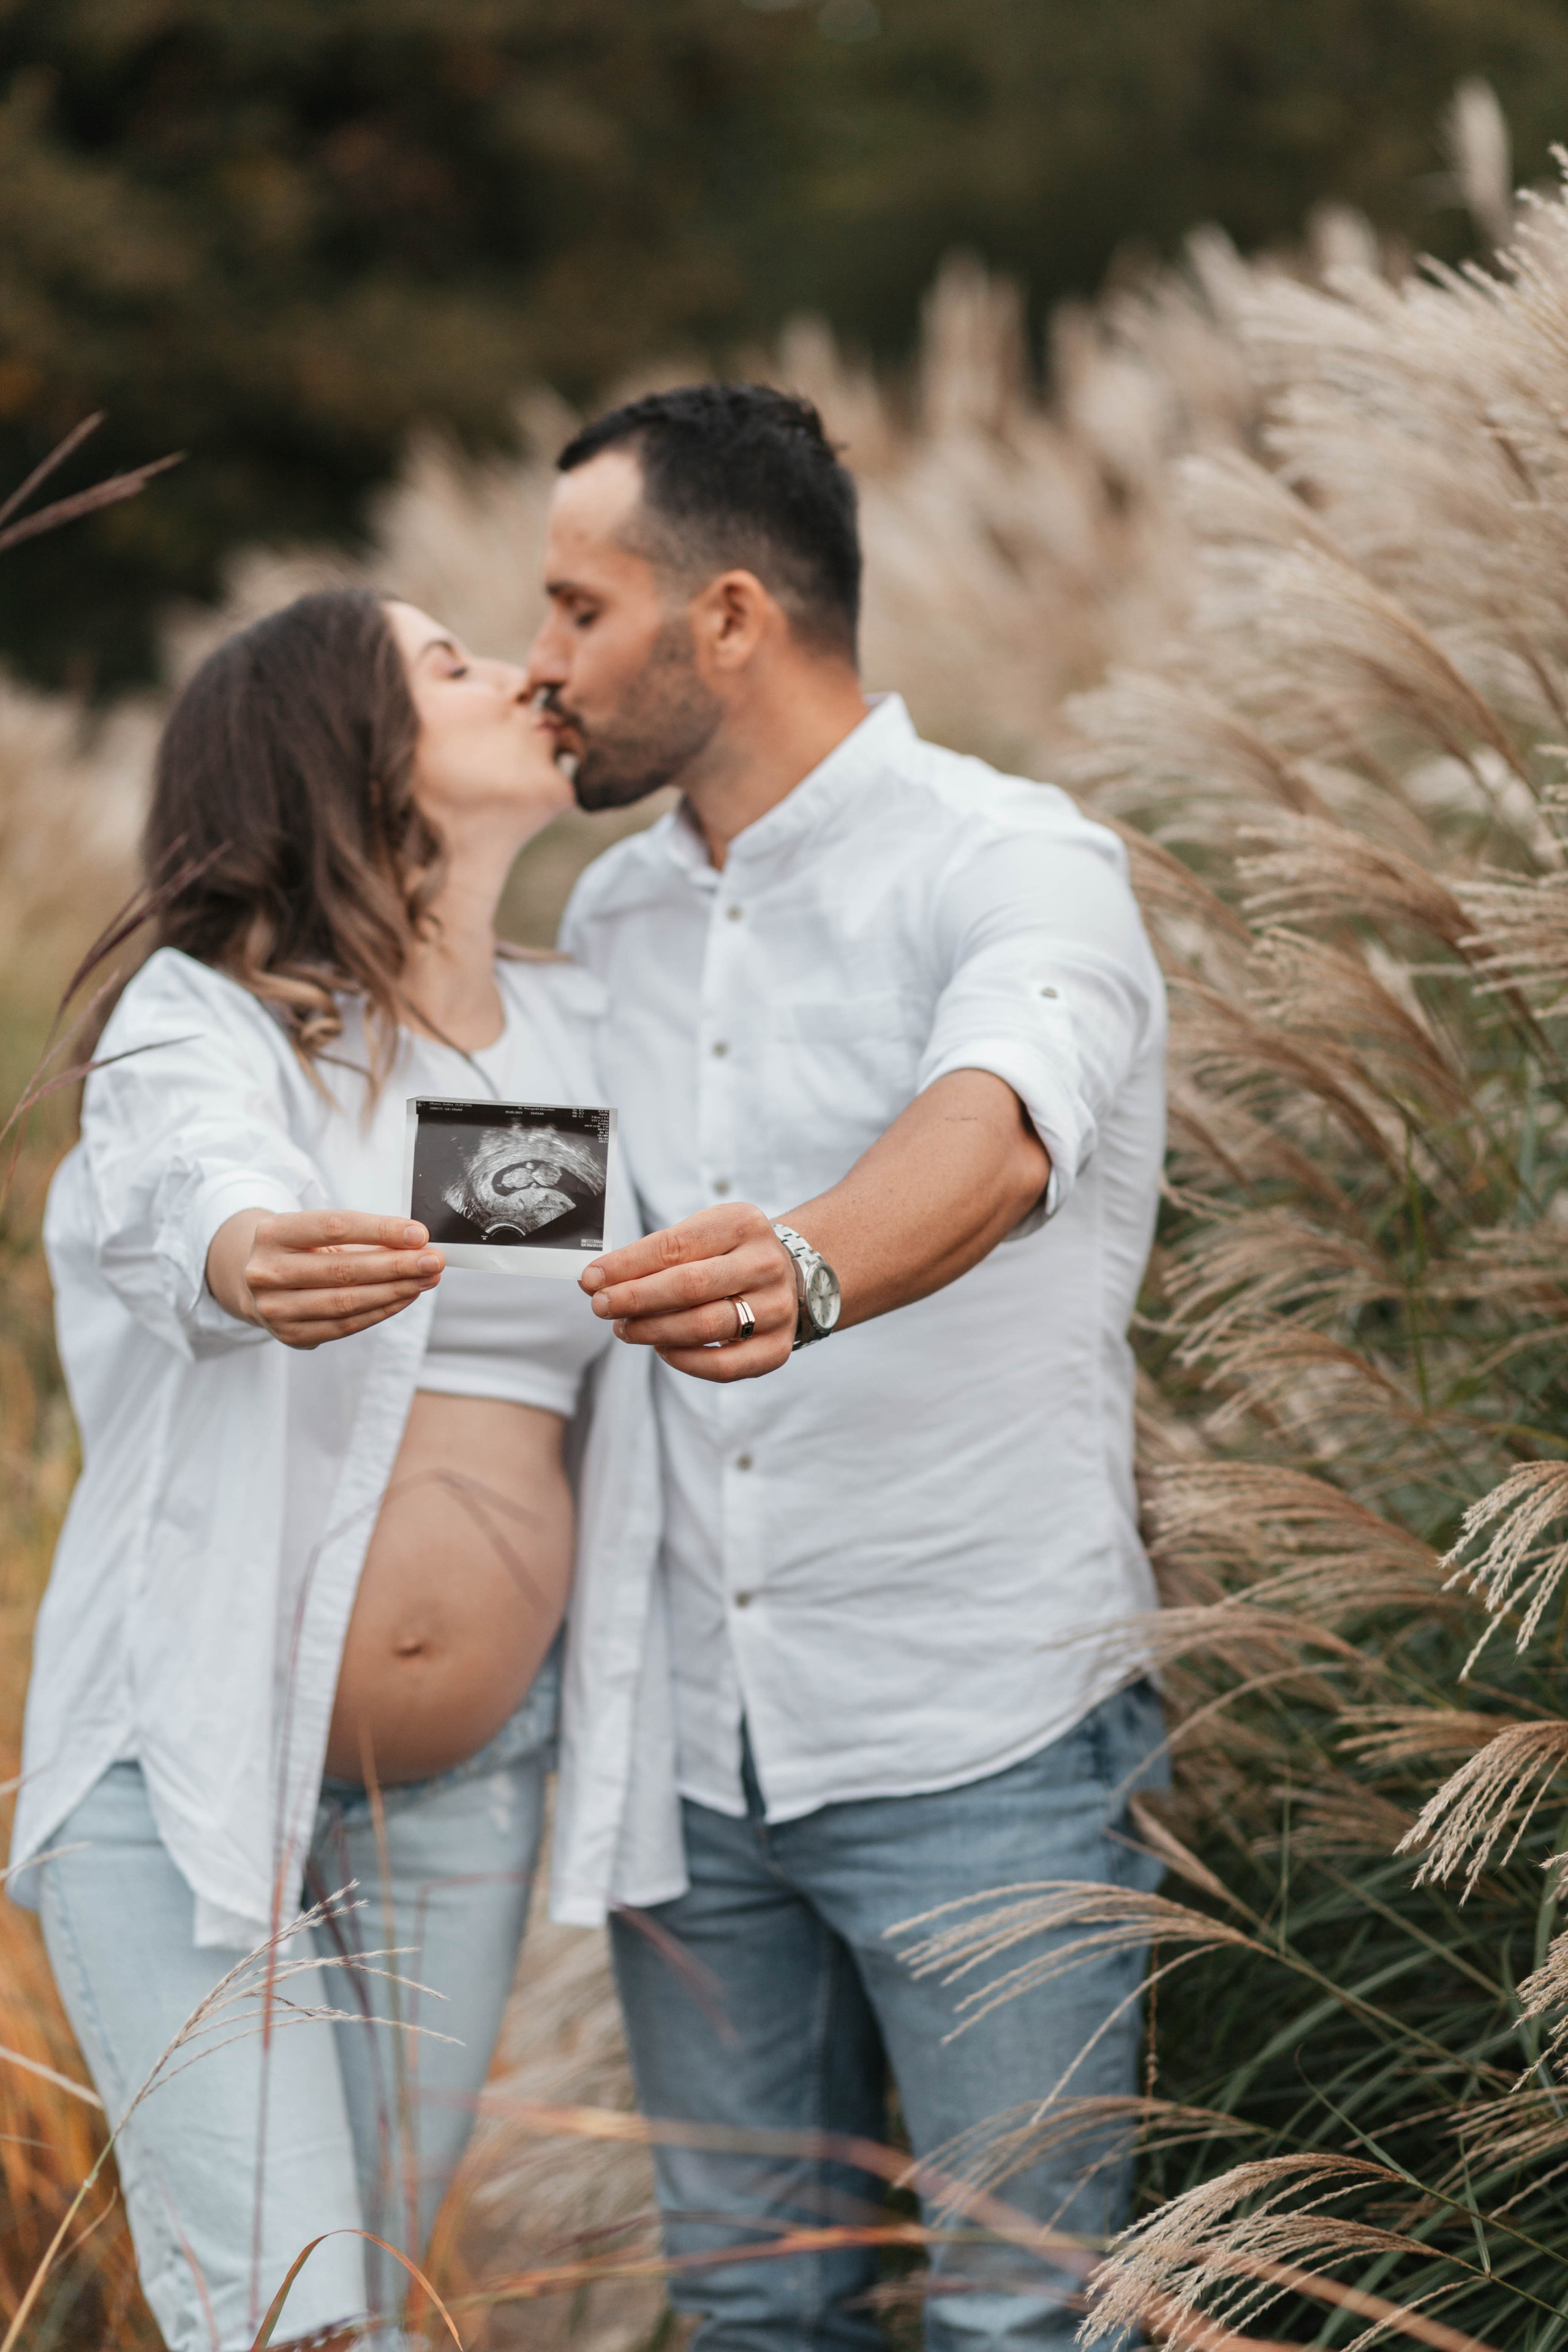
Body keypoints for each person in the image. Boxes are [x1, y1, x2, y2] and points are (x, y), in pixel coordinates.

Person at [527, 385, 1169, 2350]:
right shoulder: (608, 916)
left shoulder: (1020, 863)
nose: (541, 666)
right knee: (749, 2313)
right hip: (688, 1751)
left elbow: (994, 1126)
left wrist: (809, 1268)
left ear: (727, 619)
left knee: (1020, 2320)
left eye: (574, 611)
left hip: (976, 1736)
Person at [7, 590, 666, 2352]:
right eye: (448, 665)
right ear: (348, 756)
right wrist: (244, 1255)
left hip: (459, 1798)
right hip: (186, 1771)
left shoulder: (585, 1036)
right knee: (296, 2323)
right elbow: (182, 1185)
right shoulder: (207, 1028)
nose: (519, 669)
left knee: (365, 2291)